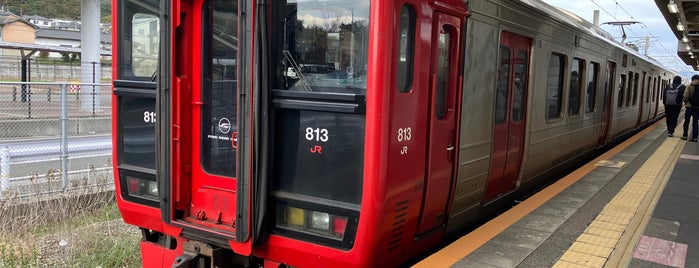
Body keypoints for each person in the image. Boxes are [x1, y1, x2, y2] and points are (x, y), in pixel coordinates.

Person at [682, 74, 699, 142]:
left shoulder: (689, 86)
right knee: (695, 122)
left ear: (692, 79)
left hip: (689, 107)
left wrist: (686, 102)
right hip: (697, 108)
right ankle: (695, 137)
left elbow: (685, 96)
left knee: (686, 121)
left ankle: (685, 135)